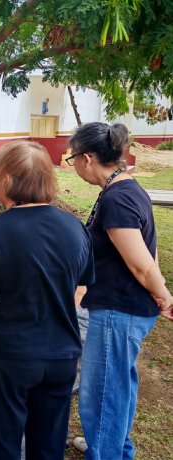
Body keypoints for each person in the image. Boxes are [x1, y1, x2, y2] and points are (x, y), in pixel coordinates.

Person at [0, 140, 95, 460]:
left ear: (6, 180)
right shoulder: (75, 227)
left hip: (8, 357)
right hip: (61, 356)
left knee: (2, 443)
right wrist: (51, 306)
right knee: (48, 446)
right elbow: (82, 288)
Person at [66, 122, 173, 459]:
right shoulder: (126, 189)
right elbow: (149, 250)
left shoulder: (118, 199)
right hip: (123, 307)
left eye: (71, 159)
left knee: (103, 391)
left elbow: (142, 263)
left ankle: (106, 452)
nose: (73, 165)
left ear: (86, 158)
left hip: (118, 310)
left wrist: (164, 295)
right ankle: (113, 445)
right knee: (119, 384)